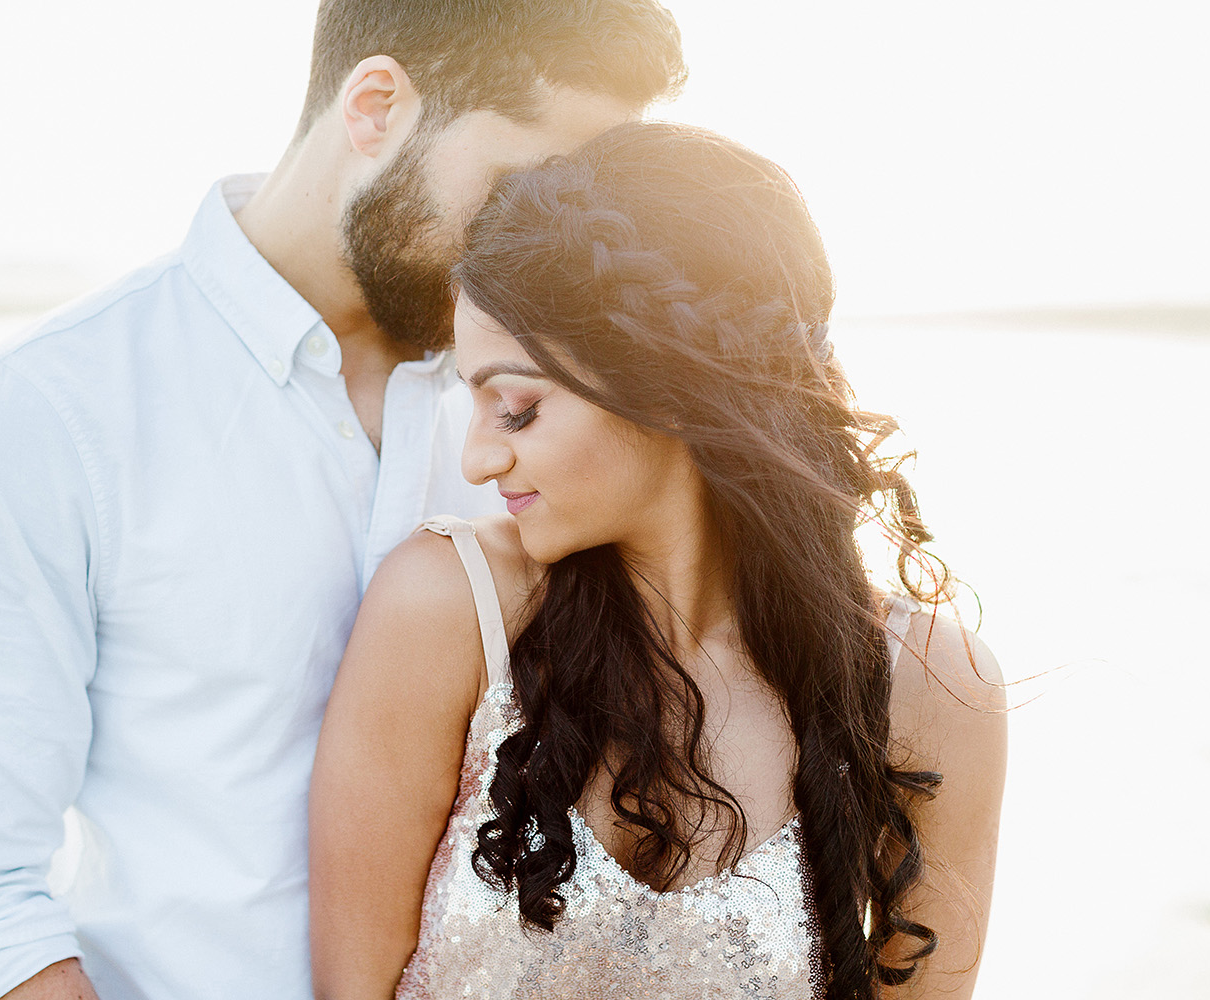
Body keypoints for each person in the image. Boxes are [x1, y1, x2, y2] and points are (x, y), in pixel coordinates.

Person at [0, 5, 687, 999]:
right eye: (520, 191)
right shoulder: (54, 410)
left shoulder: (572, 421)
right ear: (377, 106)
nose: (546, 249)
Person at [309, 122, 1008, 1000]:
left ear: (668, 388)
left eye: (516, 408)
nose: (479, 459)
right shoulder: (450, 606)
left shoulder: (930, 684)